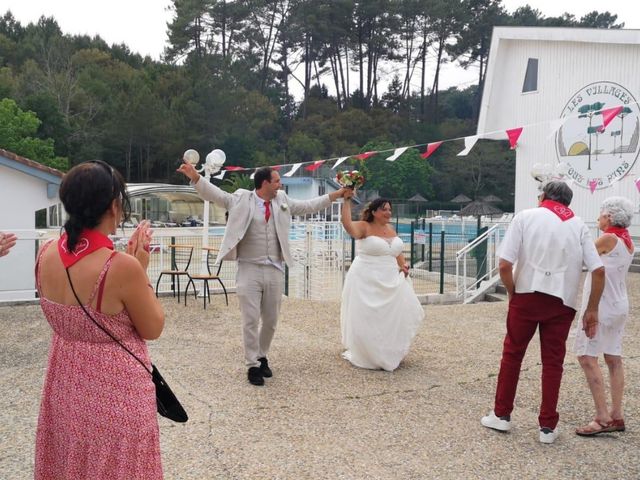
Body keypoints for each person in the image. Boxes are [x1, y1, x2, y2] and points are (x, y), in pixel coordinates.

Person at [34, 160, 165, 479]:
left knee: (70, 462)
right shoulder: (121, 266)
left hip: (65, 385)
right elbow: (153, 327)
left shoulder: (47, 251)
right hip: (116, 395)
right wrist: (141, 269)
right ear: (114, 205)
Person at [177, 162, 349, 386]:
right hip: (249, 267)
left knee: (271, 319)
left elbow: (308, 206)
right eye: (277, 180)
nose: (280, 184)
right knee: (250, 319)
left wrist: (335, 195)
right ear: (265, 183)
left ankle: (262, 355)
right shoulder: (241, 198)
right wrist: (196, 178)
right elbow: (215, 194)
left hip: (275, 267)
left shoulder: (283, 201)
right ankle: (252, 365)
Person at [481, 180, 605, 444]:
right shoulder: (579, 225)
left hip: (527, 293)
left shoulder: (526, 217)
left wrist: (513, 292)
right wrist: (592, 308)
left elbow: (504, 264)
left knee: (513, 355)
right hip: (562, 301)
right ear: (567, 202)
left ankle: (502, 414)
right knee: (553, 362)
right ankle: (547, 426)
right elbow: (599, 270)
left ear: (544, 196)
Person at [339, 192, 424, 371]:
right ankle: (369, 353)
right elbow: (347, 225)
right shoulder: (364, 226)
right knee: (369, 317)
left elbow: (396, 251)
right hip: (366, 278)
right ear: (374, 212)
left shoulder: (391, 229)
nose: (388, 213)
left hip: (390, 279)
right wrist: (346, 200)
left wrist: (403, 265)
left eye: (390, 210)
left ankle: (388, 350)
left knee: (391, 316)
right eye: (384, 209)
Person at [574, 197, 636, 436]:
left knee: (587, 356)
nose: (599, 218)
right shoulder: (626, 241)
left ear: (609, 217)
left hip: (602, 304)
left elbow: (582, 255)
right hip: (620, 303)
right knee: (613, 358)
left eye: (601, 214)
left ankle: (602, 416)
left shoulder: (608, 238)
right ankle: (617, 414)